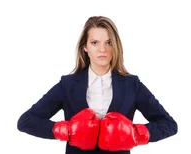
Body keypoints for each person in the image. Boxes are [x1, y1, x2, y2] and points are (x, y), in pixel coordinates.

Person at [17, 16, 178, 154]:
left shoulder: (132, 85)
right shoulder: (68, 85)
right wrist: (67, 130)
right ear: (85, 47)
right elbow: (26, 121)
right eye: (95, 42)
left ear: (115, 46)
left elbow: (169, 124)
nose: (102, 49)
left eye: (108, 43)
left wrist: (136, 133)